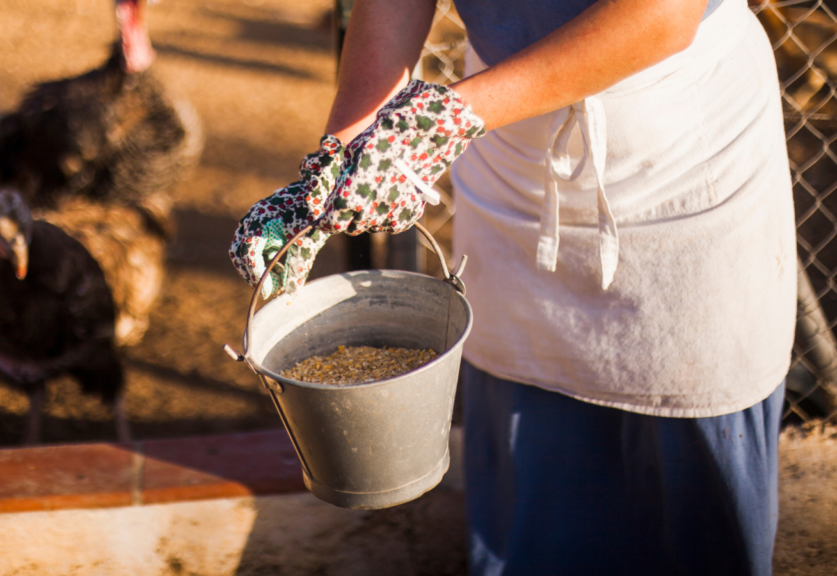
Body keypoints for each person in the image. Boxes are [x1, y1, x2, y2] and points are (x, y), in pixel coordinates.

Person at [229, 0, 796, 574]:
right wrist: (339, 158)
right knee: (534, 466)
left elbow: (663, 15)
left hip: (677, 156)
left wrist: (446, 119)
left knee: (691, 478)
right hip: (506, 139)